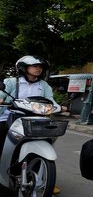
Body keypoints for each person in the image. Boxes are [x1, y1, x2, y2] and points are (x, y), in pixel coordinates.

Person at [0, 55, 62, 194]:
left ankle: (43, 177)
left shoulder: (44, 85)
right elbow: (1, 95)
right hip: (10, 117)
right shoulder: (11, 82)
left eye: (40, 67)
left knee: (47, 138)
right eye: (35, 66)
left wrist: (59, 107)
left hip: (36, 119)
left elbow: (50, 101)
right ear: (24, 68)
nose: (38, 69)